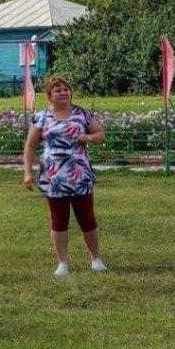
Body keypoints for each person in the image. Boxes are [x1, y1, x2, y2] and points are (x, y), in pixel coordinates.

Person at [23, 74, 106, 276]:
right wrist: (27, 172)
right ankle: (63, 264)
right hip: (54, 179)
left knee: (87, 219)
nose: (63, 93)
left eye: (66, 89)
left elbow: (101, 135)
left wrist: (87, 137)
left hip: (80, 177)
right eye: (58, 90)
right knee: (59, 221)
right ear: (50, 95)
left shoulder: (82, 114)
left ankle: (96, 259)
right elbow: (30, 145)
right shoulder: (41, 117)